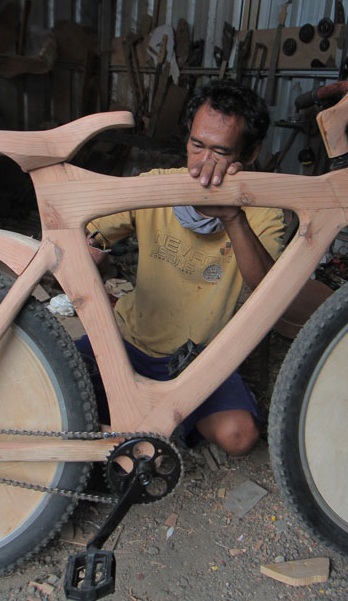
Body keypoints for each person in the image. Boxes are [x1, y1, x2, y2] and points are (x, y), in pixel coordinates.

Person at [75, 79, 285, 456]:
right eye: (196, 145)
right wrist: (92, 259)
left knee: (239, 436)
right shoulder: (157, 188)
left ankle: (150, 413)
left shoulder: (263, 210)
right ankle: (140, 410)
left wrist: (234, 219)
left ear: (249, 153)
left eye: (220, 152)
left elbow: (270, 289)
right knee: (48, 378)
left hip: (197, 361)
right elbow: (92, 237)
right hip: (126, 342)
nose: (203, 164)